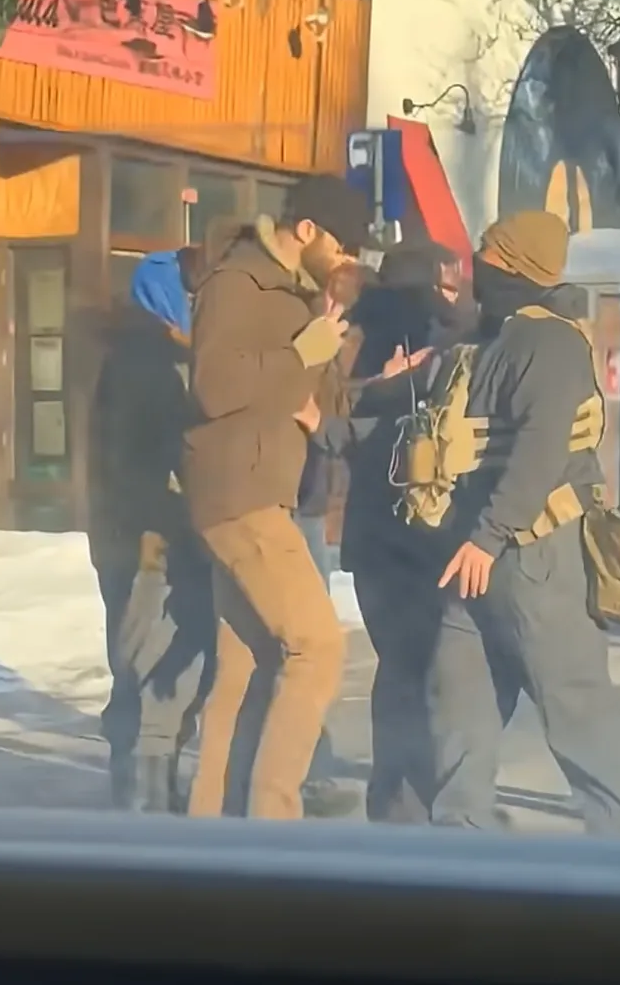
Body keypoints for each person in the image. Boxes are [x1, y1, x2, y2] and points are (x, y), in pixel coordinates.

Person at [421, 210, 620, 833]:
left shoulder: (551, 343)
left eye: (489, 254)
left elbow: (540, 450)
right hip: (472, 549)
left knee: (575, 705)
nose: (478, 264)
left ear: (516, 265)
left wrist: (488, 536)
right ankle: (461, 845)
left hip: (534, 551)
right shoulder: (489, 337)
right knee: (460, 705)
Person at [184, 174, 374, 820]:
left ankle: (212, 827)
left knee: (246, 666)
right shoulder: (239, 282)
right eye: (342, 246)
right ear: (307, 229)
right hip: (241, 491)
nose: (346, 260)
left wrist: (348, 367)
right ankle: (275, 820)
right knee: (318, 646)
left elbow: (299, 396)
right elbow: (215, 386)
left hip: (260, 486)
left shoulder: (291, 291)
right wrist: (305, 350)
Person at [318, 241, 485, 822]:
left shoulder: (351, 337)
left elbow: (330, 425)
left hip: (370, 536)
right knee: (428, 669)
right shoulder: (436, 340)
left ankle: (395, 802)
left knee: (399, 669)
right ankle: (416, 801)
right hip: (419, 534)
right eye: (444, 283)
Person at [87, 250, 216, 812]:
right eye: (189, 295)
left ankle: (139, 786)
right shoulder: (149, 360)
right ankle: (145, 796)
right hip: (148, 537)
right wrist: (157, 522)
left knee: (136, 657)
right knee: (150, 660)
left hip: (126, 533)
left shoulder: (133, 352)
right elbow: (137, 456)